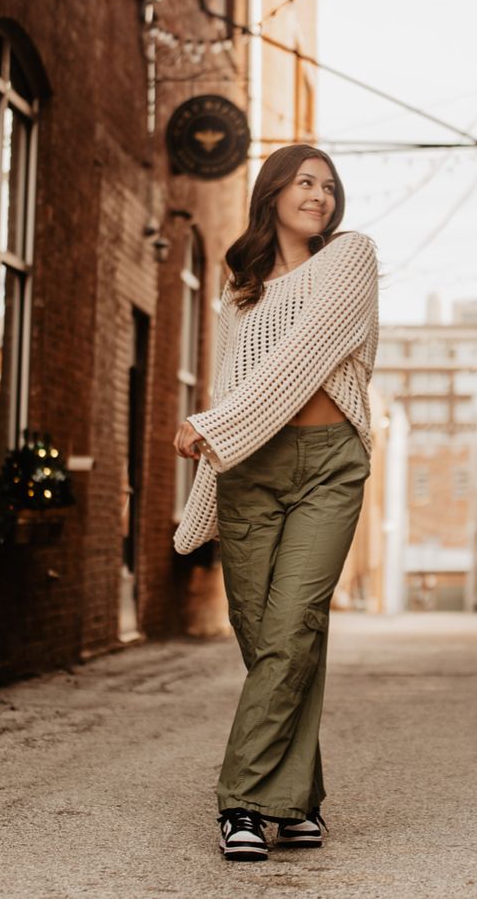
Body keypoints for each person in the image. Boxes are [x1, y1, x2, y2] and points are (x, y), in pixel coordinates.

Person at [172, 143, 379, 862]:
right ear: (272, 194)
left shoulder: (349, 259)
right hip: (249, 472)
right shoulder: (241, 293)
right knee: (264, 635)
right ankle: (296, 798)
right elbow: (234, 388)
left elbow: (302, 362)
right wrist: (210, 472)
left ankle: (241, 803)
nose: (318, 194)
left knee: (292, 625)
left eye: (328, 184)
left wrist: (210, 425)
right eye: (303, 181)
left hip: (328, 464)